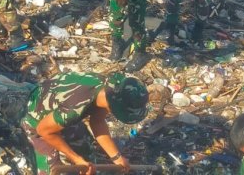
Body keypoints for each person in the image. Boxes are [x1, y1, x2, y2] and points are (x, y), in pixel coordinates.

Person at [21, 72, 149, 175]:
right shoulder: (75, 108)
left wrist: (117, 158)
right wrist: (75, 158)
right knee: (52, 170)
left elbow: (97, 122)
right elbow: (43, 130)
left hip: (62, 114)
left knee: (86, 156)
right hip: (37, 120)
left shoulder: (109, 91)